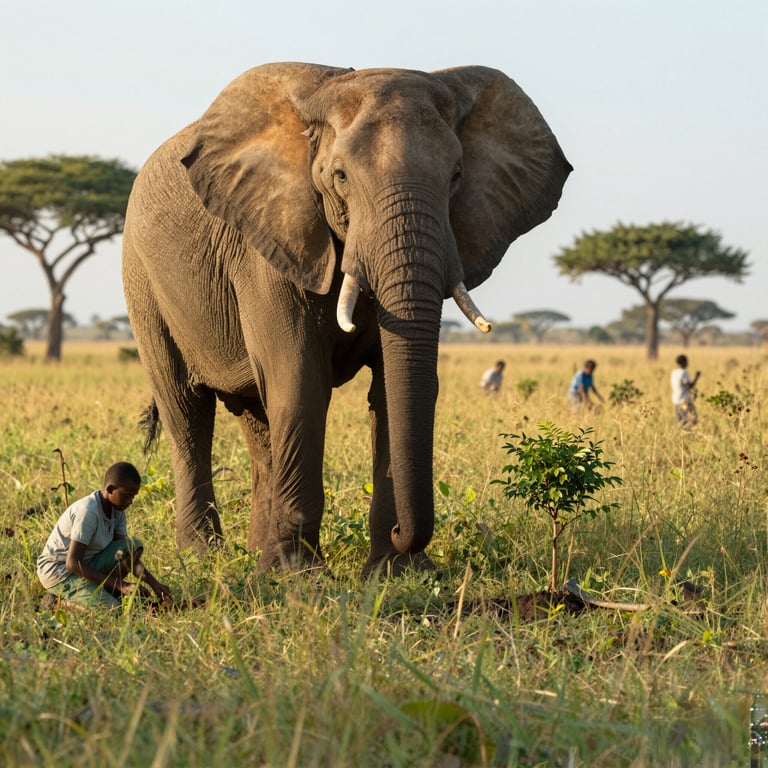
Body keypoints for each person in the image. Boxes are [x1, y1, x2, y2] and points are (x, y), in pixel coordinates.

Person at [37, 461, 171, 610]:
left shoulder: (118, 512)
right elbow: (72, 563)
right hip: (60, 572)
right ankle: (56, 603)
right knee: (113, 611)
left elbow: (123, 556)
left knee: (132, 546)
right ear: (110, 489)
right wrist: (122, 586)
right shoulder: (88, 512)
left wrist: (154, 584)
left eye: (133, 497)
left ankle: (104, 592)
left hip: (87, 564)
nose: (131, 501)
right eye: (127, 496)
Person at [670, 354, 700, 428]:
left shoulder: (674, 372)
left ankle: (683, 435)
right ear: (684, 363)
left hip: (676, 401)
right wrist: (696, 377)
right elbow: (689, 386)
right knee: (693, 419)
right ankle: (689, 435)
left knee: (681, 422)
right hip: (684, 401)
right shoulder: (683, 372)